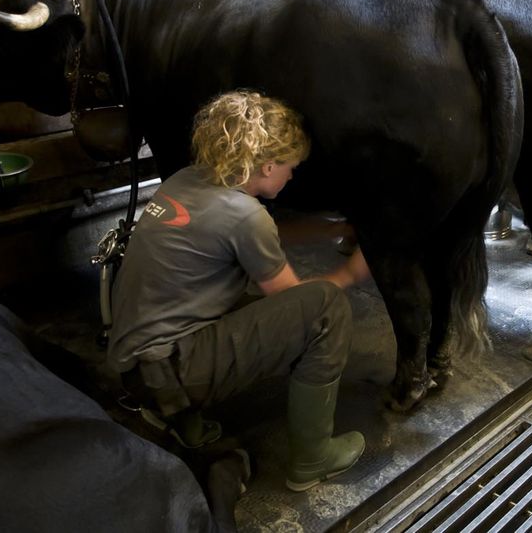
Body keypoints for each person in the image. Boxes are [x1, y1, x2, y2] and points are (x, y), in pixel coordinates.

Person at [107, 89, 368, 493]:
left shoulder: (188, 179)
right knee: (325, 309)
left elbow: (250, 238)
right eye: (290, 167)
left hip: (135, 367)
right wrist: (352, 272)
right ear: (266, 168)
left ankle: (181, 421)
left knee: (231, 303)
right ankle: (313, 460)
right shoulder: (246, 217)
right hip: (172, 371)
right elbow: (294, 300)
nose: (292, 175)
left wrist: (330, 229)